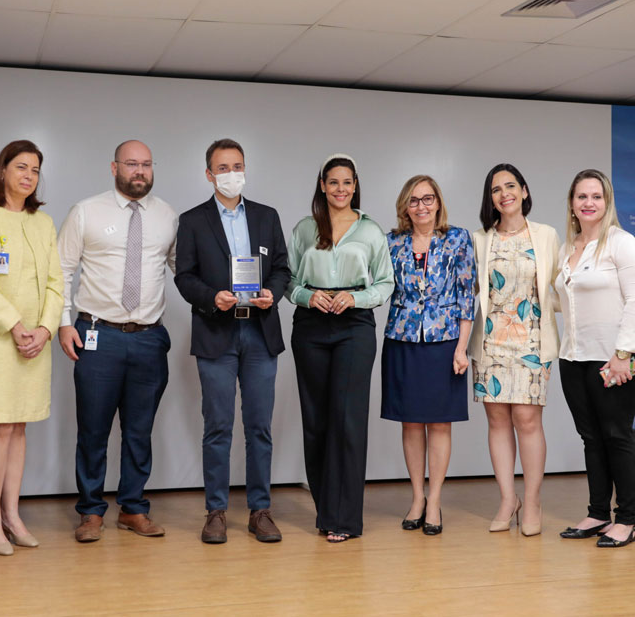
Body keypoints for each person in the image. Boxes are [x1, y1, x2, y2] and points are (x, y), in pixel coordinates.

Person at [58, 140, 177, 543]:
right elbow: (61, 269)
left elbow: (185, 268)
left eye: (146, 164)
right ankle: (91, 511)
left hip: (148, 337)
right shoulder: (86, 211)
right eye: (131, 164)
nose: (139, 171)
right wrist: (62, 323)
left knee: (139, 430)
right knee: (92, 429)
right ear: (114, 167)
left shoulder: (167, 216)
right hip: (97, 334)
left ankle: (133, 508)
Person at [175, 138, 291, 544]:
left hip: (260, 332)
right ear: (209, 174)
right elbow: (184, 276)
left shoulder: (266, 216)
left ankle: (260, 511)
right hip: (216, 333)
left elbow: (281, 268)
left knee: (259, 427)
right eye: (222, 167)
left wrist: (272, 293)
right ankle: (217, 512)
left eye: (236, 165)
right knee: (218, 427)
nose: (230, 173)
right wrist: (212, 298)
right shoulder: (192, 220)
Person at [0, 140, 64, 555]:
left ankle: (12, 514)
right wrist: (16, 326)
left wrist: (44, 329)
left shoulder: (43, 221)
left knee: (19, 425)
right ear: (2, 169)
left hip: (35, 341)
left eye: (35, 170)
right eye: (20, 167)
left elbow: (57, 283)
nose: (28, 175)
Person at [287, 153, 393, 542]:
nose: (341, 189)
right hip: (311, 326)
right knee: (316, 421)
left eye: (347, 182)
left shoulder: (370, 231)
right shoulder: (303, 229)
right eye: (333, 182)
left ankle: (346, 519)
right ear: (322, 185)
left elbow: (384, 283)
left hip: (354, 327)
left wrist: (357, 299)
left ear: (355, 186)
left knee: (347, 421)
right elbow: (289, 281)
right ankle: (325, 511)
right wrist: (306, 296)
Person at [555, 169, 635, 548]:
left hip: (617, 361)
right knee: (591, 437)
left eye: (596, 196)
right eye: (582, 196)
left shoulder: (621, 243)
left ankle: (625, 520)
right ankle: (598, 513)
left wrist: (622, 354)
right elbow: (566, 302)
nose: (589, 203)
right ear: (572, 203)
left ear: (607, 202)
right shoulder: (568, 248)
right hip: (574, 359)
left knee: (617, 435)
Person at [381, 174, 475, 536]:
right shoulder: (392, 242)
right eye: (414, 200)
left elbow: (467, 295)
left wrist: (462, 347)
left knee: (438, 422)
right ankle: (417, 497)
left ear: (438, 202)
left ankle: (434, 500)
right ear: (406, 206)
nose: (422, 206)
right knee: (410, 422)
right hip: (402, 339)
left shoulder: (458, 239)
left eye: (428, 198)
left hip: (444, 341)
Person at [469, 164, 560, 536]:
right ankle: (509, 499)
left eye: (510, 186)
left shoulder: (546, 235)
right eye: (495, 189)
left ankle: (533, 500)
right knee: (497, 421)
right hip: (490, 340)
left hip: (533, 340)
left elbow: (560, 287)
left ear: (524, 191)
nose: (503, 193)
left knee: (527, 420)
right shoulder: (480, 239)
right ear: (490, 199)